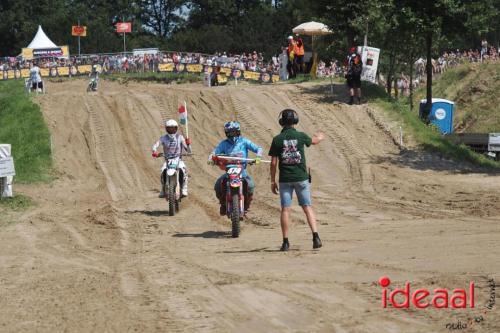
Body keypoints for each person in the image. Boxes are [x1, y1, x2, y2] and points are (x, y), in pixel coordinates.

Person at [268, 109, 325, 251]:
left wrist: (272, 181)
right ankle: (316, 237)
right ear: (295, 121)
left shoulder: (277, 139)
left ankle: (286, 242)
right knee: (307, 207)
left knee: (285, 210)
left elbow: (274, 163)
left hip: (285, 179)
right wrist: (320, 136)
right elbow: (314, 141)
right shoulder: (301, 136)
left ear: (281, 122)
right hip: (301, 178)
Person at [208, 121, 262, 215]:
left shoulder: (244, 142)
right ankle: (223, 204)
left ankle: (247, 204)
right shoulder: (224, 144)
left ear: (238, 131)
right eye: (229, 132)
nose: (231, 134)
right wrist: (211, 158)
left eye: (233, 132)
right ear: (226, 133)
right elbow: (214, 152)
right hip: (229, 170)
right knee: (217, 185)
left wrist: (258, 157)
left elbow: (258, 148)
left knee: (250, 185)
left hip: (242, 170)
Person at [152, 119, 192, 198]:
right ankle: (163, 189)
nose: (171, 129)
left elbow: (189, 151)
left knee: (184, 171)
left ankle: (184, 188)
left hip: (178, 159)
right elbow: (155, 145)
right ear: (166, 128)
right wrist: (154, 151)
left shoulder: (180, 137)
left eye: (173, 128)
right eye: (169, 128)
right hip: (168, 160)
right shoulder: (163, 138)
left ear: (176, 128)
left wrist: (188, 144)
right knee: (162, 171)